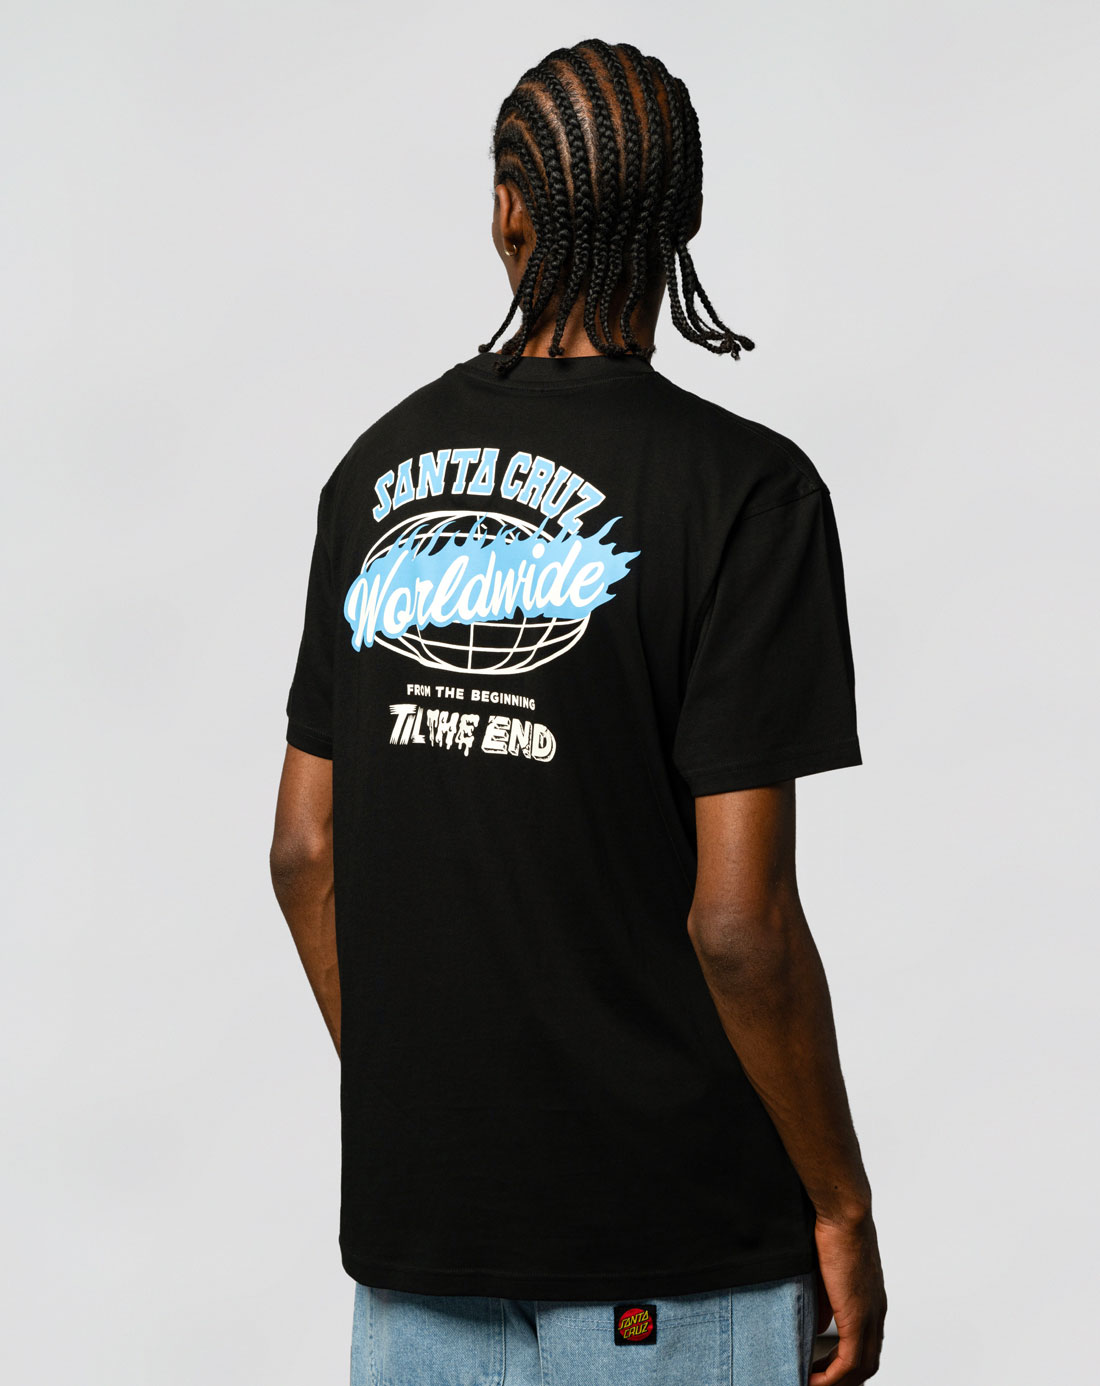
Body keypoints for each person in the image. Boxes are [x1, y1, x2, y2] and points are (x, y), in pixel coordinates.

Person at [269, 37, 886, 1386]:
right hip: (679, 1251)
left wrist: (426, 1111)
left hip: (425, 1250)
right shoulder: (746, 493)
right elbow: (740, 924)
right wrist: (841, 1203)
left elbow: (305, 852)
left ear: (508, 210)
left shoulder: (370, 475)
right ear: (681, 222)